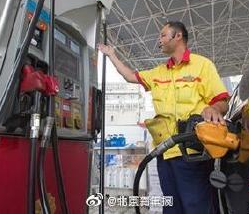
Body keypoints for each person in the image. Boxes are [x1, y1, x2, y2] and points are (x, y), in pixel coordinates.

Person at [98, 21, 229, 213]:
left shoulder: (202, 66)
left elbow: (222, 100)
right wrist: (111, 55)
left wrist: (214, 109)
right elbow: (130, 76)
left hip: (193, 153)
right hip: (165, 153)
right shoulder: (159, 72)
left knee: (197, 207)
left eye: (162, 35)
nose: (158, 40)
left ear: (178, 36)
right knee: (171, 208)